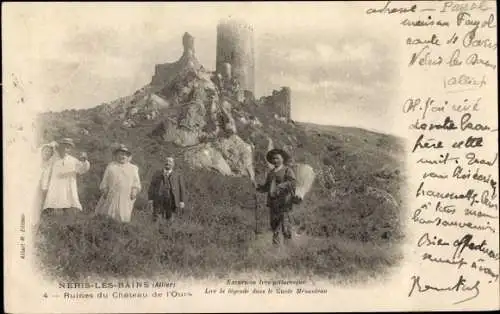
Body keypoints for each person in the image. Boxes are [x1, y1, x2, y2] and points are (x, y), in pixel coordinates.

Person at [255, 149, 297, 246]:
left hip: (285, 203)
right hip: (273, 204)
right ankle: (276, 252)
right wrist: (259, 187)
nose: (275, 160)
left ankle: (289, 252)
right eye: (273, 159)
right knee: (275, 228)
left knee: (286, 228)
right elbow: (267, 187)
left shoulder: (287, 170)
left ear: (282, 159)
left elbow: (292, 183)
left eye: (277, 158)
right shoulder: (270, 173)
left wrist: (280, 186)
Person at [41, 138, 90, 215]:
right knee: (52, 207)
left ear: (70, 149)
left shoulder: (73, 160)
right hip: (55, 187)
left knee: (68, 205)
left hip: (68, 187)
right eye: (64, 146)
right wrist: (44, 186)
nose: (66, 149)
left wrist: (84, 161)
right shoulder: (53, 159)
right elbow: (46, 172)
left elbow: (82, 169)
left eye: (68, 147)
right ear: (60, 146)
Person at [95, 144, 141, 223]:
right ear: (116, 155)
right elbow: (105, 180)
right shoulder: (111, 166)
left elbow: (136, 182)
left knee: (123, 215)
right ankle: (108, 226)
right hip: (112, 194)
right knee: (109, 214)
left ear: (128, 157)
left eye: (125, 155)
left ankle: (121, 228)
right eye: (121, 154)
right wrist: (104, 189)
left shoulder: (133, 168)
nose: (123, 156)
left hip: (126, 195)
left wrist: (134, 190)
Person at [148, 157, 186, 223]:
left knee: (170, 219)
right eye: (166, 161)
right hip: (158, 199)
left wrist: (182, 201)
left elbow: (181, 188)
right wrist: (150, 198)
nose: (167, 163)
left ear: (173, 164)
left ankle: (167, 231)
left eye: (170, 162)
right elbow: (152, 186)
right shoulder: (157, 173)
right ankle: (155, 231)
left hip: (171, 200)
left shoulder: (177, 175)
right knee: (156, 218)